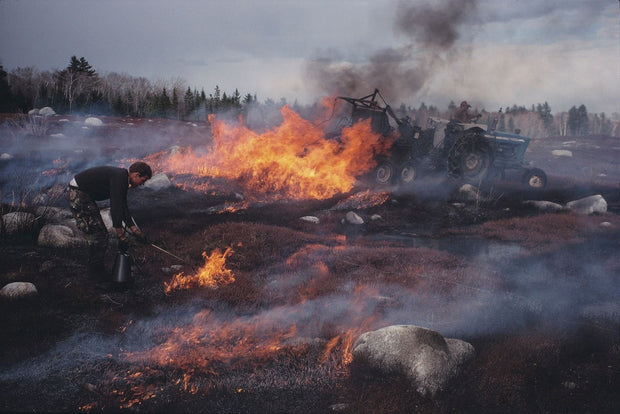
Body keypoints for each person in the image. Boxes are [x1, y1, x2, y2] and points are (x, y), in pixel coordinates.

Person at [66, 162, 152, 276]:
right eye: (143, 180)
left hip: (82, 193)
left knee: (99, 233)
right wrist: (120, 234)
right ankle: (96, 273)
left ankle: (95, 269)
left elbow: (122, 206)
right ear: (136, 175)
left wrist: (134, 229)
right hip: (78, 193)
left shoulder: (122, 178)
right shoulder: (120, 177)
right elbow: (115, 207)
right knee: (99, 234)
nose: (142, 184)